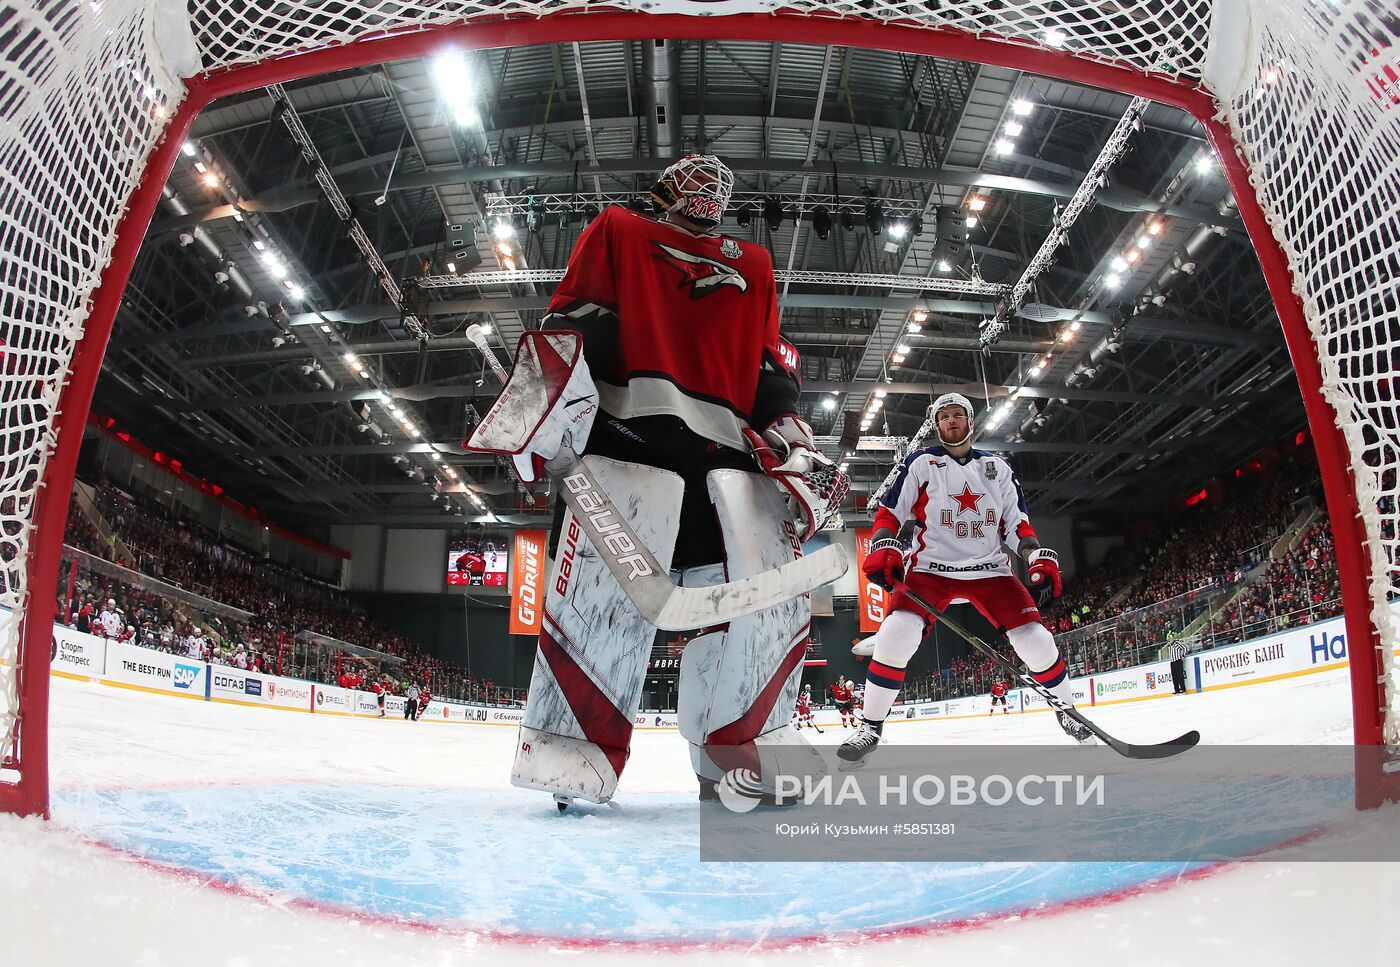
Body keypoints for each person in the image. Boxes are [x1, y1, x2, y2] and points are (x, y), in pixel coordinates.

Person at [466, 153, 848, 807]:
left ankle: (735, 754)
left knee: (753, 608)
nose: (708, 188)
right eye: (692, 180)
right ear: (664, 188)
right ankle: (573, 757)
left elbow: (766, 365)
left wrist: (789, 431)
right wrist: (537, 406)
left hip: (725, 456)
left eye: (717, 182)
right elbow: (574, 324)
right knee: (599, 605)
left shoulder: (755, 263)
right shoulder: (618, 229)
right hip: (627, 440)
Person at [841, 393, 1089, 769]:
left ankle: (1069, 711)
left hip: (991, 571)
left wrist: (1035, 556)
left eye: (958, 415)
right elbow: (890, 512)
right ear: (936, 424)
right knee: (894, 636)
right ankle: (871, 728)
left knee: (1037, 641)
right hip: (930, 570)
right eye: (944, 417)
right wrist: (881, 545)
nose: (952, 421)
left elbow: (1017, 524)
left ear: (971, 422)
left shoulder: (997, 468)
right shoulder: (923, 462)